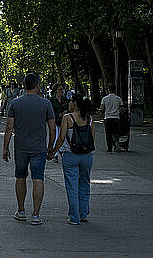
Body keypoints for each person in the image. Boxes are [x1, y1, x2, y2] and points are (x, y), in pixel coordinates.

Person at [2, 73, 56, 226]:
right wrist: (51, 147)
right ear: (38, 85)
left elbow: (9, 127)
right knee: (38, 179)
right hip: (39, 148)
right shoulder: (46, 103)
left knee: (20, 177)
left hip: (21, 147)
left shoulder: (15, 103)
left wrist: (5, 148)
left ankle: (21, 211)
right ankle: (36, 215)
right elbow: (52, 128)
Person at [51, 93, 95, 225]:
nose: (69, 103)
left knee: (72, 186)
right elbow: (92, 139)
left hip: (70, 155)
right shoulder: (89, 118)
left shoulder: (67, 118)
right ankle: (83, 213)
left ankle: (74, 217)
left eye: (70, 101)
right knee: (85, 183)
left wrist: (53, 151)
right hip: (87, 156)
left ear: (75, 103)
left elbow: (62, 137)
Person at [100, 85, 123, 152]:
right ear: (115, 90)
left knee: (108, 133)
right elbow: (122, 109)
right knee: (116, 132)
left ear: (108, 90)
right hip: (116, 117)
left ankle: (109, 148)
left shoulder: (104, 99)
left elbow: (102, 108)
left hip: (108, 118)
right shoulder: (118, 98)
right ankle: (116, 143)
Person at [49, 83, 68, 163]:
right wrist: (57, 114)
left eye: (62, 89)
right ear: (56, 91)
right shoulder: (52, 100)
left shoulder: (64, 99)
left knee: (64, 137)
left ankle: (64, 152)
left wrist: (65, 111)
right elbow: (50, 111)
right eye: (59, 89)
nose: (61, 91)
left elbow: (68, 107)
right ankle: (55, 154)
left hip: (64, 120)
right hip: (55, 120)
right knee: (56, 136)